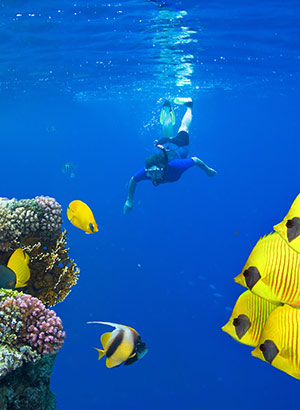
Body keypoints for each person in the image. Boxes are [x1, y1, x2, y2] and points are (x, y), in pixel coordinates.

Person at [123, 98, 217, 214]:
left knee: (184, 128)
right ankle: (167, 112)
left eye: (156, 173)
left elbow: (195, 160)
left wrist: (207, 170)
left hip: (179, 145)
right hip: (163, 145)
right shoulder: (148, 171)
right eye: (151, 173)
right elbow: (133, 180)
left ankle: (189, 106)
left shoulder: (176, 166)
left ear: (163, 169)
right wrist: (129, 200)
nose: (153, 176)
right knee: (169, 135)